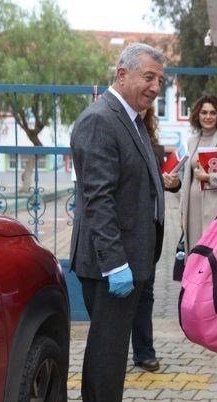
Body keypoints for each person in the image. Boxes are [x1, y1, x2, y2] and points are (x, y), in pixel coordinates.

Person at [69, 42, 166, 402]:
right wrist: (115, 264)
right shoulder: (100, 120)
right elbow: (99, 199)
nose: (156, 87)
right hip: (111, 264)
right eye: (149, 77)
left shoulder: (131, 119)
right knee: (107, 355)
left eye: (160, 79)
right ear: (122, 74)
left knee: (111, 352)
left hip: (133, 256)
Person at [131, 109, 181, 372]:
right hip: (125, 228)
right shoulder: (117, 136)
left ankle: (144, 351)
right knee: (121, 294)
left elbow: (166, 182)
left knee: (146, 291)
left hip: (151, 228)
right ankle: (114, 351)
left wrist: (170, 183)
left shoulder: (154, 145)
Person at [177, 95, 217, 264]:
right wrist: (182, 211)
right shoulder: (192, 141)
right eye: (204, 112)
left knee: (212, 255)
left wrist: (209, 177)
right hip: (192, 207)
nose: (208, 117)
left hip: (214, 207)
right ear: (197, 115)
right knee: (194, 254)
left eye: (212, 113)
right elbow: (187, 178)